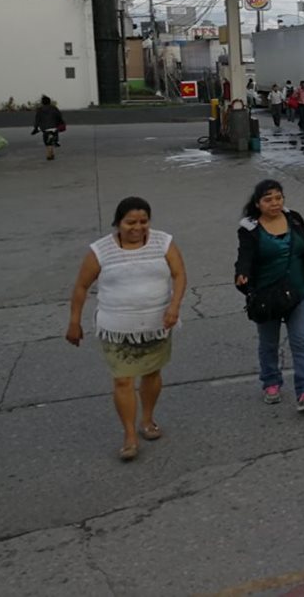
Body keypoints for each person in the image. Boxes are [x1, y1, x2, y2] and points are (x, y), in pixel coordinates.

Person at [66, 197, 187, 461]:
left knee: (151, 373)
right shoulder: (101, 250)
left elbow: (179, 274)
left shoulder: (163, 242)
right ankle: (130, 434)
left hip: (157, 324)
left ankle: (147, 419)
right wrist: (74, 321)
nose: (137, 227)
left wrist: (174, 307)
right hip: (116, 328)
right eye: (130, 222)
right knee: (122, 379)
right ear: (118, 223)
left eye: (143, 221)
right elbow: (81, 287)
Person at [234, 179, 304, 412]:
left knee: (301, 342)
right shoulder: (251, 229)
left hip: (298, 292)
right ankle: (271, 382)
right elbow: (244, 255)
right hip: (268, 297)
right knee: (269, 343)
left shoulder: (294, 218)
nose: (274, 203)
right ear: (258, 203)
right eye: (268, 199)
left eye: (278, 197)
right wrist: (242, 273)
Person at [31, 95, 65, 161]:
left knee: (48, 143)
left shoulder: (40, 110)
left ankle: (49, 155)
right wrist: (61, 123)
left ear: (42, 102)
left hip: (45, 129)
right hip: (54, 127)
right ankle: (53, 150)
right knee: (51, 141)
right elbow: (59, 116)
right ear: (49, 102)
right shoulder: (54, 108)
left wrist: (36, 127)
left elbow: (37, 119)